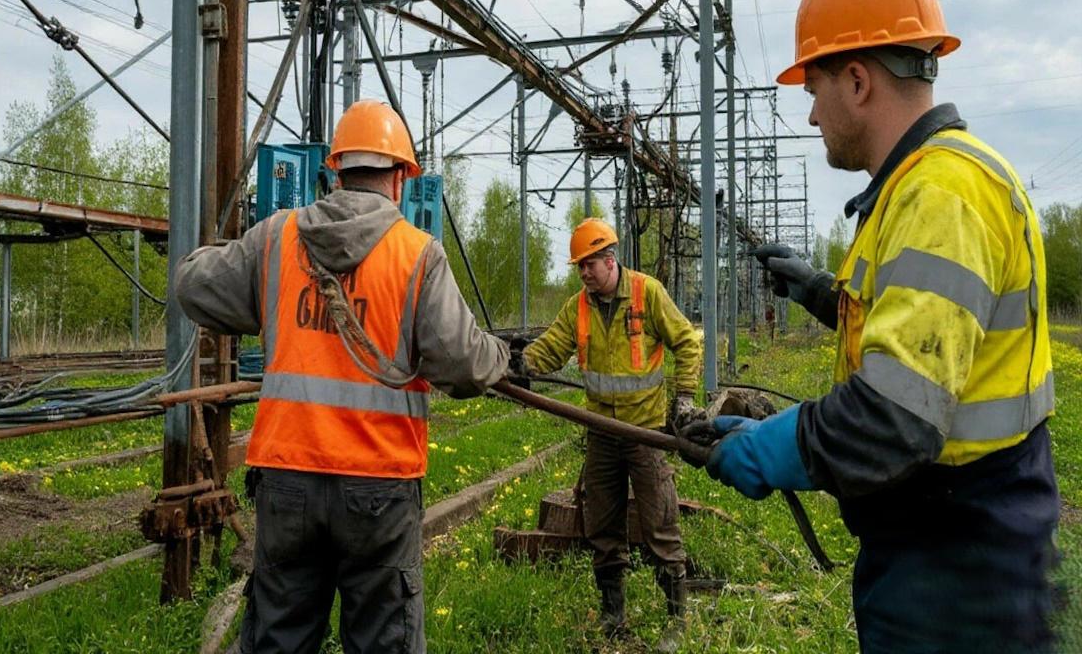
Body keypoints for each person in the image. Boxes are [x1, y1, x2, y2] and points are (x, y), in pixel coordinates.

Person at [690, 0, 1059, 653]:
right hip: (954, 540)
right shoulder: (922, 187)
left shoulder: (940, 195)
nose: (810, 117)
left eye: (814, 87)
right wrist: (827, 295)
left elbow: (895, 416)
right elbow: (940, 337)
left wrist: (777, 444)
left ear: (856, 82)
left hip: (958, 568)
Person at [175, 100, 508, 654]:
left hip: (286, 482)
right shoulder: (417, 254)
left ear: (333, 172)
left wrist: (263, 295)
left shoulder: (278, 239)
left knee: (278, 640)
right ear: (400, 177)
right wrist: (499, 354)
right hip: (378, 484)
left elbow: (191, 285)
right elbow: (466, 364)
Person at [515, 218, 702, 651]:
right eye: (579, 266)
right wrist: (521, 363)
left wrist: (686, 399)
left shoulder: (646, 292)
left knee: (659, 522)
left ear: (610, 260)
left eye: (589, 264)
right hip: (600, 431)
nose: (583, 273)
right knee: (601, 525)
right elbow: (552, 346)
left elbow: (687, 343)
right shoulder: (577, 307)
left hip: (645, 432)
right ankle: (613, 617)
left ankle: (677, 619)